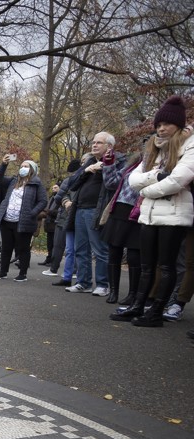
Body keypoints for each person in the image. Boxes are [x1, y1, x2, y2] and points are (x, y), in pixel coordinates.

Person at [112, 96, 194, 327]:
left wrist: (146, 191)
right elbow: (133, 179)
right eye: (158, 124)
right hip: (149, 214)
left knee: (166, 265)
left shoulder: (190, 146)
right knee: (147, 265)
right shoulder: (154, 149)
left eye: (167, 124)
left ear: (178, 124)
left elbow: (179, 180)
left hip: (175, 215)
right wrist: (157, 176)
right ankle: (138, 305)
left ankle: (156, 312)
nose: (162, 128)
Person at [67, 132, 120, 296]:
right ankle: (83, 282)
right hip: (80, 209)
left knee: (99, 249)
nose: (94, 145)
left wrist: (104, 168)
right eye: (93, 142)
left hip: (96, 210)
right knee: (81, 249)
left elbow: (115, 184)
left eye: (99, 142)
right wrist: (87, 170)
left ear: (109, 146)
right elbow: (72, 184)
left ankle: (103, 284)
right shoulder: (89, 162)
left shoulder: (117, 161)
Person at [99, 149, 144, 304]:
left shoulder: (159, 166)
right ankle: (113, 291)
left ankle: (132, 294)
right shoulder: (131, 165)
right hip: (119, 209)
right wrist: (109, 163)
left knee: (134, 255)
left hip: (138, 212)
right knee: (114, 252)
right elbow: (111, 182)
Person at [0, 160, 47, 281]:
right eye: (21, 166)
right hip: (6, 219)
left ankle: (23, 273)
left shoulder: (36, 184)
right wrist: (4, 165)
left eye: (26, 166)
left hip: (23, 221)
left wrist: (32, 213)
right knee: (6, 247)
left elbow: (43, 201)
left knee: (23, 248)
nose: (23, 168)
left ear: (32, 169)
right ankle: (3, 271)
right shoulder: (13, 181)